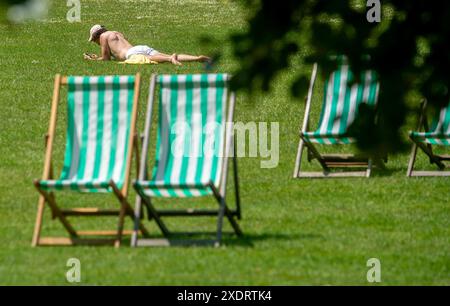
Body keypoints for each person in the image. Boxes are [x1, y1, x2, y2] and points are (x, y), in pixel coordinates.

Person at [85, 24, 211, 65]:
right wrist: (97, 57)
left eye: (94, 40)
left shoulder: (103, 36)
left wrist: (95, 59)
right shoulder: (116, 33)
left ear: (97, 35)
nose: (95, 42)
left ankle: (169, 58)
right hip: (139, 47)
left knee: (153, 59)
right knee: (163, 55)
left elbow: (106, 58)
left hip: (131, 54)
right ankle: (196, 58)